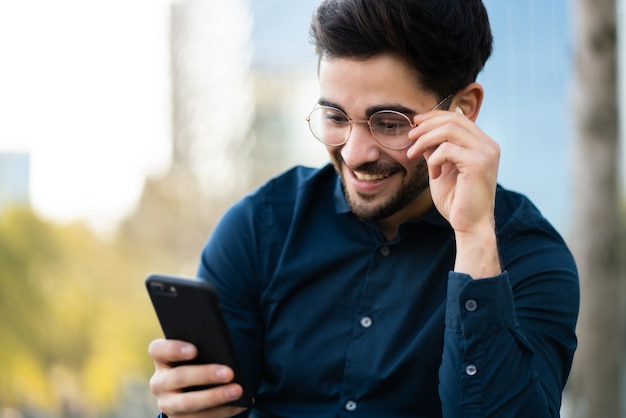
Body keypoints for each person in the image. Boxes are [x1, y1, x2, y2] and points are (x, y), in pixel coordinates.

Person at [147, 0, 579, 417]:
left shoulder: (528, 256)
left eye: (389, 122)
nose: (354, 154)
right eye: (335, 117)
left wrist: (474, 240)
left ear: (462, 110)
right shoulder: (259, 228)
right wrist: (189, 409)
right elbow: (214, 403)